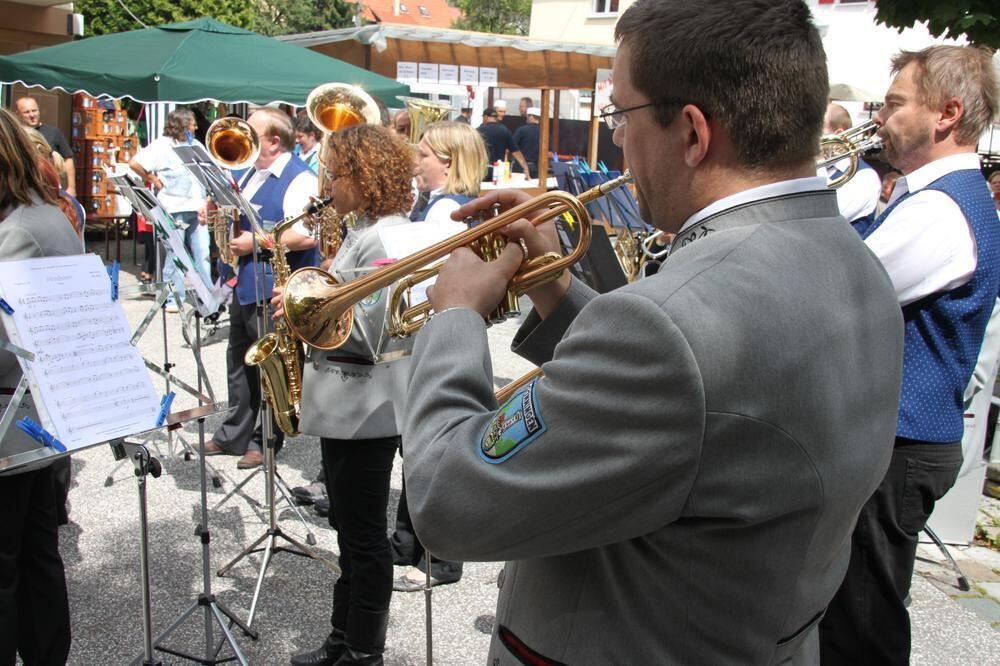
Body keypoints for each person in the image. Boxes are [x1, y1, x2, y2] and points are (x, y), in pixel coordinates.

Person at [401, 0, 905, 662]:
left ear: (693, 133)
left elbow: (447, 501)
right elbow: (702, 407)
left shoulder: (670, 327)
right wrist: (555, 287)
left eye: (621, 116)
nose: (615, 139)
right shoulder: (858, 265)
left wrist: (454, 315)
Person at [820, 45, 1000, 665]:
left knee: (861, 626)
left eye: (896, 103)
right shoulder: (932, 199)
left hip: (899, 443)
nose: (881, 116)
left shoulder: (942, 209)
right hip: (893, 438)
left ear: (947, 113)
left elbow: (839, 292)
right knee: (846, 614)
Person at [285, 124, 414, 666]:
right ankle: (343, 640)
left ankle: (364, 650)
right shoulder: (363, 230)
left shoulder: (382, 238)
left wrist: (305, 316)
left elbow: (374, 331)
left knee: (363, 537)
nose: (327, 185)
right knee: (349, 531)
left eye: (334, 174)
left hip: (367, 408)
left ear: (364, 178)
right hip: (349, 406)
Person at [391, 120, 488, 592]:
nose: (416, 159)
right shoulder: (439, 205)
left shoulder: (446, 211)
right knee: (416, 439)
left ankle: (440, 559)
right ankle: (408, 540)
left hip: (433, 328)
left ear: (447, 162)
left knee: (431, 441)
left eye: (424, 152)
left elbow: (426, 280)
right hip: (432, 328)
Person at [0, 106, 80, 666]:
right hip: (32, 410)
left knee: (12, 560)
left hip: (13, 411)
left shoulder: (20, 231)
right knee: (34, 551)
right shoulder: (41, 214)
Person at [201, 108, 318, 469]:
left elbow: (304, 235)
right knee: (239, 361)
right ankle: (234, 432)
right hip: (244, 283)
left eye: (252, 133)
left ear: (273, 140)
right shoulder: (250, 173)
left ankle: (265, 438)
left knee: (271, 367)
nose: (243, 139)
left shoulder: (300, 178)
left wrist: (257, 242)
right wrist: (216, 215)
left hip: (273, 287)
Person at [128, 107, 210, 313]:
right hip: (173, 207)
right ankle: (174, 299)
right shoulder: (162, 145)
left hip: (197, 207)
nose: (196, 126)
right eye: (192, 123)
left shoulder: (195, 144)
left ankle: (207, 297)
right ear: (182, 124)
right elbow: (135, 163)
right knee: (175, 256)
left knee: (203, 254)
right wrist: (153, 179)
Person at [409, 121, 488, 223]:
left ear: (449, 164)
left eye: (423, 155)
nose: (415, 161)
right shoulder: (460, 202)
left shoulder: (445, 210)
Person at [822, 102, 881, 226]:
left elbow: (824, 217)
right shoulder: (819, 168)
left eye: (815, 128)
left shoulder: (865, 177)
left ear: (837, 135)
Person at [14, 97, 76, 197]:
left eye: (34, 110)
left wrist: (71, 187)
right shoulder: (15, 135)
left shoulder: (54, 132)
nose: (32, 115)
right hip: (24, 190)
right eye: (26, 112)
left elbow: (68, 158)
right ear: (18, 114)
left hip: (51, 189)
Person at [477, 107, 530, 181]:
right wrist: (525, 167)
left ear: (485, 117)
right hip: (498, 171)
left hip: (481, 170)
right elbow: (515, 151)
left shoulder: (478, 131)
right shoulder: (504, 130)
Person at [512, 107, 544, 179]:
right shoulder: (544, 132)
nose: (526, 118)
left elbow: (512, 147)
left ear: (531, 117)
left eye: (528, 116)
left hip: (520, 167)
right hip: (537, 168)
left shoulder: (521, 130)